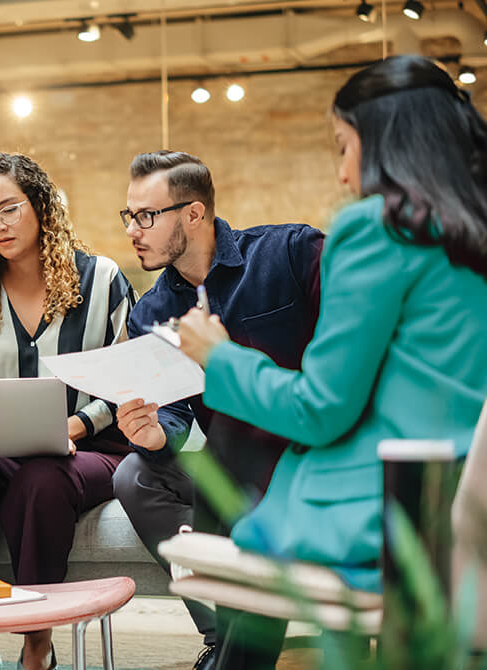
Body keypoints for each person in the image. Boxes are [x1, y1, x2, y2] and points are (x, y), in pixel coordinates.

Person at [174, 55, 487, 669]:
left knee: (241, 477)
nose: (344, 177)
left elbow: (318, 410)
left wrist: (221, 358)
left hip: (397, 515)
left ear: (387, 143)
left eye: (343, 147)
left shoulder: (377, 229)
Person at [0, 152, 135, 670]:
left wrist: (77, 424)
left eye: (9, 209)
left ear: (39, 204)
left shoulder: (101, 279)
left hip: (90, 449)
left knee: (43, 477)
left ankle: (38, 637)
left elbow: (128, 383)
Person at [110, 151, 324, 670]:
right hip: (230, 461)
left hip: (313, 446)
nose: (133, 231)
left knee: (238, 475)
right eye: (129, 216)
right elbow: (177, 414)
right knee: (135, 473)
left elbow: (354, 344)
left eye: (147, 216)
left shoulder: (291, 252)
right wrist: (157, 431)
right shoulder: (152, 312)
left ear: (194, 213)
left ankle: (237, 640)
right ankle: (221, 630)